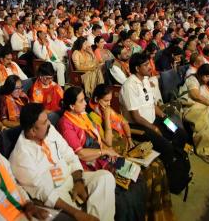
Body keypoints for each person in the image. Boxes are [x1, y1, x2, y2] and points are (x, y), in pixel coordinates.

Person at [10, 103, 115, 221]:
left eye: (47, 120)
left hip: (71, 177)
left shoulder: (50, 131)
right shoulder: (20, 156)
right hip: (56, 194)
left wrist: (78, 181)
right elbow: (43, 193)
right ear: (32, 131)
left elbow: (70, 155)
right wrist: (76, 213)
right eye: (45, 123)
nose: (49, 124)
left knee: (105, 178)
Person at [57, 86, 148, 221]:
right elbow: (80, 154)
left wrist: (108, 148)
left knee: (137, 175)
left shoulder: (84, 116)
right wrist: (104, 151)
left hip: (103, 157)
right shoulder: (66, 124)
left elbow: (106, 141)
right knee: (125, 196)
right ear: (71, 105)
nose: (85, 104)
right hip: (88, 165)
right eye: (81, 101)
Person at [89, 84, 174, 220]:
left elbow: (124, 123)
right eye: (105, 101)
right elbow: (108, 143)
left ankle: (159, 212)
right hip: (117, 148)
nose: (108, 104)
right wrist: (106, 119)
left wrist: (129, 138)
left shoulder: (147, 83)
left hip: (134, 136)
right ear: (96, 99)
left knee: (159, 163)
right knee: (152, 169)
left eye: (110, 100)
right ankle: (146, 214)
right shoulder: (94, 116)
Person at [120, 53, 188, 169]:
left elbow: (152, 104)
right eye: (146, 65)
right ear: (137, 68)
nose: (150, 67)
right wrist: (153, 127)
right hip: (140, 125)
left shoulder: (145, 80)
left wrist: (164, 117)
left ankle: (179, 160)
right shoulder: (129, 85)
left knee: (179, 132)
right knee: (166, 146)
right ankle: (170, 169)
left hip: (154, 119)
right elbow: (136, 116)